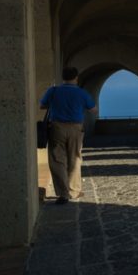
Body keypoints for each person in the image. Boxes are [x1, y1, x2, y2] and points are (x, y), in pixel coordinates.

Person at [40, 67, 97, 204]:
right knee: (75, 158)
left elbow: (42, 106)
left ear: (63, 77)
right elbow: (93, 110)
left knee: (57, 159)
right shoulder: (82, 93)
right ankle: (74, 191)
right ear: (76, 78)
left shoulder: (53, 91)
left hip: (57, 127)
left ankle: (63, 194)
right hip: (76, 128)